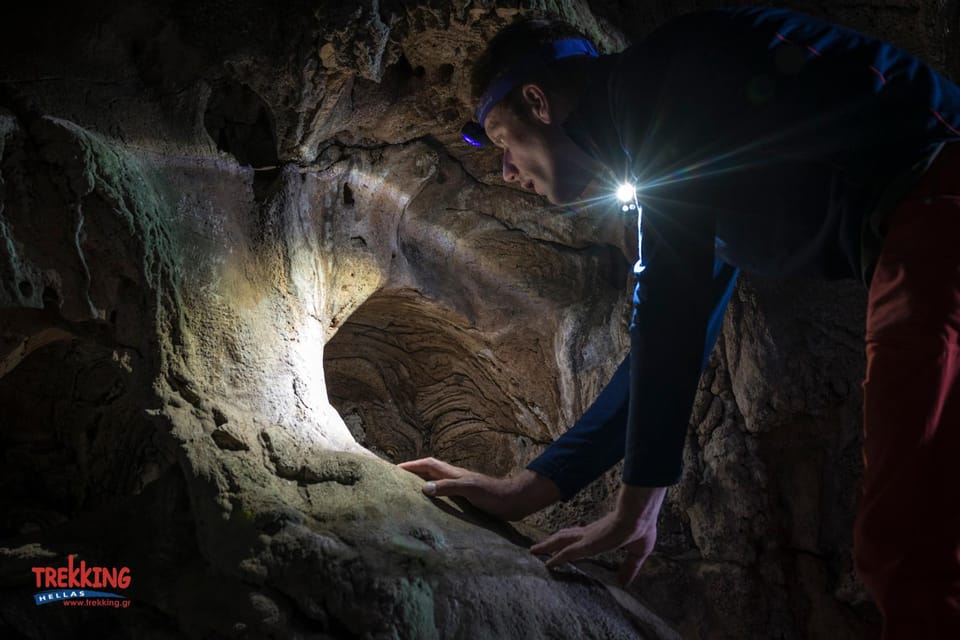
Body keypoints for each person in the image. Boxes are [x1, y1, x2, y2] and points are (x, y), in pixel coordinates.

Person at [399, 7, 960, 638]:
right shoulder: (687, 147)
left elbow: (671, 304)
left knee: (908, 543)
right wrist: (531, 488)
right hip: (924, 228)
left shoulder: (656, 83)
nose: (505, 171)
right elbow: (668, 338)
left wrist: (636, 503)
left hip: (941, 205)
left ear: (538, 100)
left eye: (502, 139)